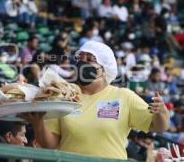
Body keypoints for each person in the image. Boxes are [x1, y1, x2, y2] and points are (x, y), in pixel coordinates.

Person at [20, 41, 169, 160]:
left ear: (104, 69)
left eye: (90, 60)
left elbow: (158, 126)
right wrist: (37, 122)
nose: (82, 63)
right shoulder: (65, 93)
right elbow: (50, 145)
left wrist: (161, 110)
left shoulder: (123, 96)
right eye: (80, 59)